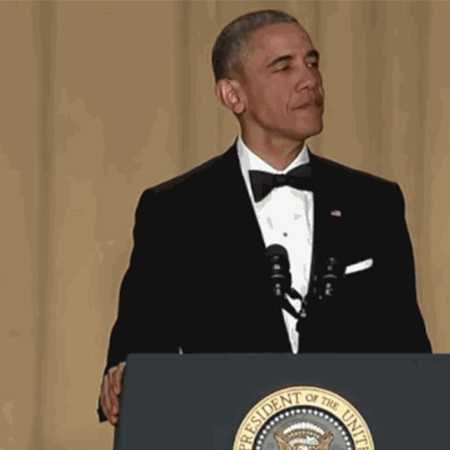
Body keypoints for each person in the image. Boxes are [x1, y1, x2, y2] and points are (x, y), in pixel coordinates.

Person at [98, 9, 432, 425]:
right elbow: (141, 342)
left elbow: (411, 355)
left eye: (312, 62)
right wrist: (123, 376)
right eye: (283, 66)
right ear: (232, 95)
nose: (310, 80)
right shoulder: (174, 209)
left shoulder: (374, 203)